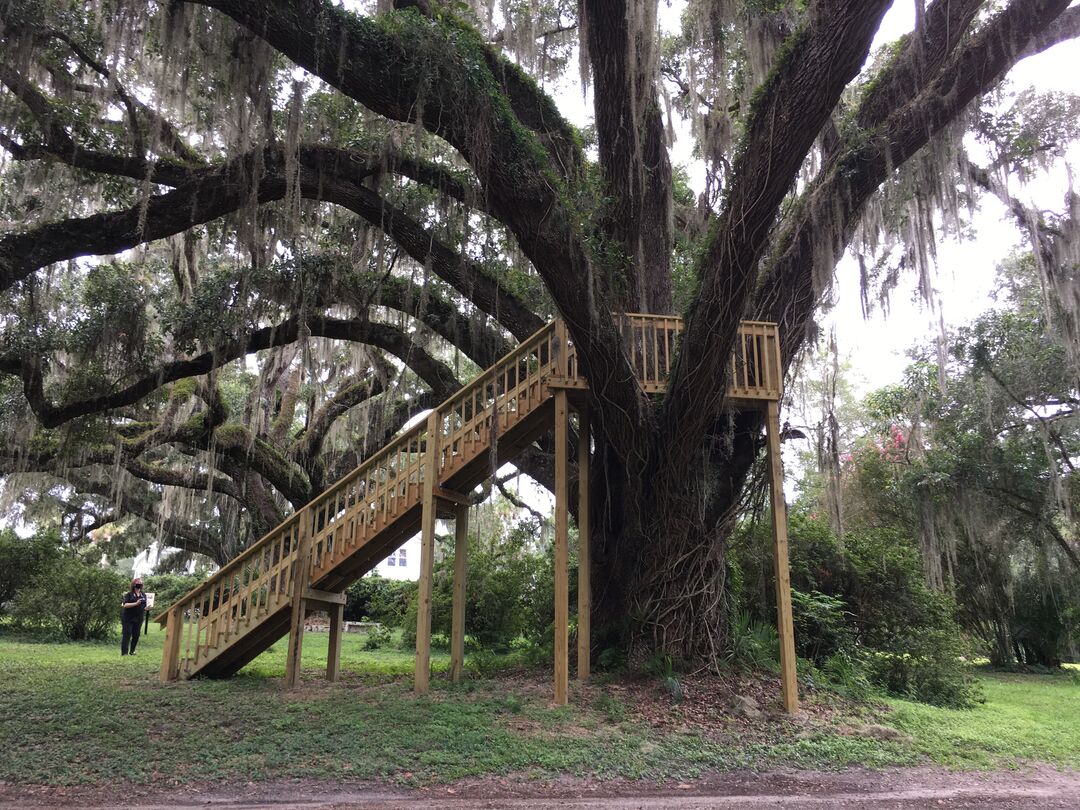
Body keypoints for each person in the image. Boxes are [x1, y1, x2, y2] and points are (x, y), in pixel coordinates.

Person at [121, 578, 147, 656]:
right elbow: (125, 605)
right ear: (134, 584)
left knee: (136, 635)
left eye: (141, 582)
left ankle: (132, 651)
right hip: (128, 617)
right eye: (138, 582)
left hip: (139, 618)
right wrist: (135, 603)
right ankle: (124, 652)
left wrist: (147, 608)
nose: (139, 583)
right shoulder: (129, 594)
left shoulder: (143, 594)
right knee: (127, 634)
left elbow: (144, 607)